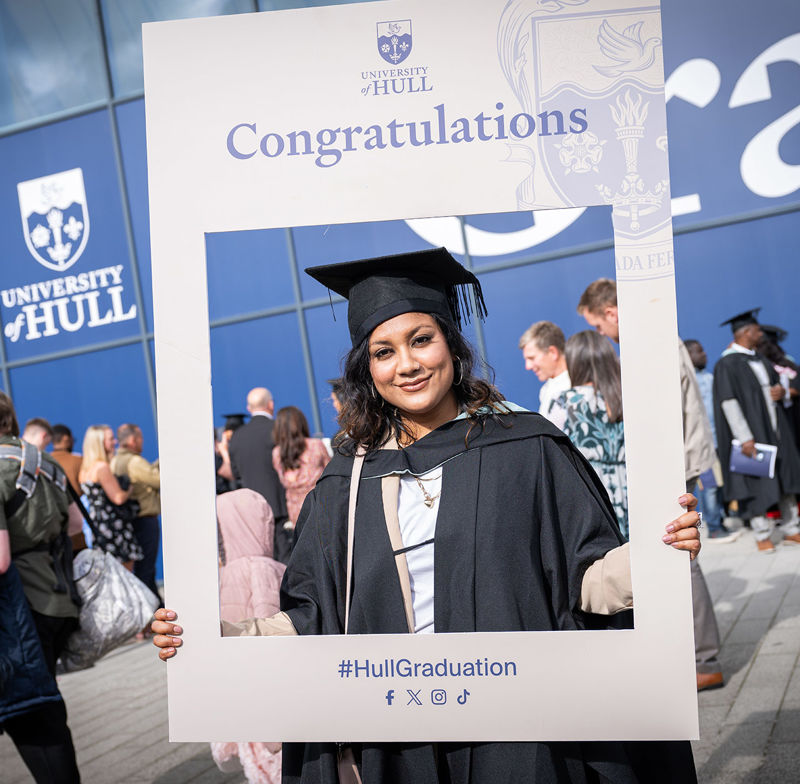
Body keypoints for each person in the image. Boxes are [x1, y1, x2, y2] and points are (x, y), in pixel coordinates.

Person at [154, 248, 702, 783]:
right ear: (367, 369)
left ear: (452, 344)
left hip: (518, 725)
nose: (408, 365)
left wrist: (658, 553)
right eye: (384, 352)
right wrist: (208, 636)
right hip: (395, 736)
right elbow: (309, 622)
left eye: (421, 340)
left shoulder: (527, 448)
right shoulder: (345, 483)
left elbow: (585, 582)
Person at [578, 277, 725, 692]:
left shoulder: (650, 341)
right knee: (679, 552)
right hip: (676, 462)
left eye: (600, 326)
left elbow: (664, 413)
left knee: (680, 553)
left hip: (673, 466)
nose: (602, 335)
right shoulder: (655, 338)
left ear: (610, 312)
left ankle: (703, 658)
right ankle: (695, 655)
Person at [0, 392, 81, 783]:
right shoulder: (41, 459)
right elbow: (76, 527)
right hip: (56, 598)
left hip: (17, 612)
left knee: (31, 716)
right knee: (44, 711)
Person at [211, 488, 287, 784]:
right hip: (270, 691)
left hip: (242, 687)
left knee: (257, 763)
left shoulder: (224, 574)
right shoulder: (271, 569)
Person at [713, 309, 800, 553]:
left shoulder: (761, 359)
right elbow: (728, 403)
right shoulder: (726, 364)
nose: (761, 333)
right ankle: (762, 533)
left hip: (776, 429)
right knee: (757, 482)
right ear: (747, 332)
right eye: (757, 330)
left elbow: (776, 386)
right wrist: (745, 438)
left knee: (785, 476)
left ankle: (792, 528)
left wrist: (781, 392)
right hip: (753, 434)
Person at [550, 331, 628, 537]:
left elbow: (550, 450)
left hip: (590, 492)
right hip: (629, 488)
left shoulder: (564, 401)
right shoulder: (625, 395)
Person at [683, 341, 741, 543]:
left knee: (719, 484)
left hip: (717, 441)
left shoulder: (710, 378)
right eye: (699, 351)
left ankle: (720, 520)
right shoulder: (688, 382)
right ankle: (714, 528)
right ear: (688, 355)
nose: (704, 354)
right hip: (701, 445)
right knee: (709, 486)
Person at [229, 388, 290, 563]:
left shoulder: (237, 436)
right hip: (281, 506)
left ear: (249, 408)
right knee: (286, 558)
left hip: (252, 509)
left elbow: (235, 473)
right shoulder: (279, 429)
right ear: (271, 405)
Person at [79, 424, 141, 570]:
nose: (115, 442)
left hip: (97, 524)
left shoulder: (85, 468)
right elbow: (118, 498)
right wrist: (130, 489)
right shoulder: (102, 468)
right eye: (111, 439)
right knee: (124, 572)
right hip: (112, 526)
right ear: (99, 443)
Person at [111, 423, 162, 603]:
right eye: (140, 438)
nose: (142, 442)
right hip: (145, 519)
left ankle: (155, 606)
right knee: (146, 568)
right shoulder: (135, 461)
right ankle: (150, 610)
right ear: (133, 440)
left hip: (129, 521)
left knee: (142, 568)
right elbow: (158, 480)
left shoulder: (116, 460)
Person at [271, 406, 331, 528]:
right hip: (321, 507)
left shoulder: (277, 453)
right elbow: (331, 474)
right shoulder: (315, 445)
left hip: (296, 513)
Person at [518, 320, 571, 420]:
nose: (528, 366)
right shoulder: (545, 390)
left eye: (532, 358)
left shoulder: (576, 386)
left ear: (552, 352)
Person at [49, 424, 88, 552]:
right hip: (76, 530)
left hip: (52, 531)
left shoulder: (43, 461)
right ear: (66, 439)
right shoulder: (78, 461)